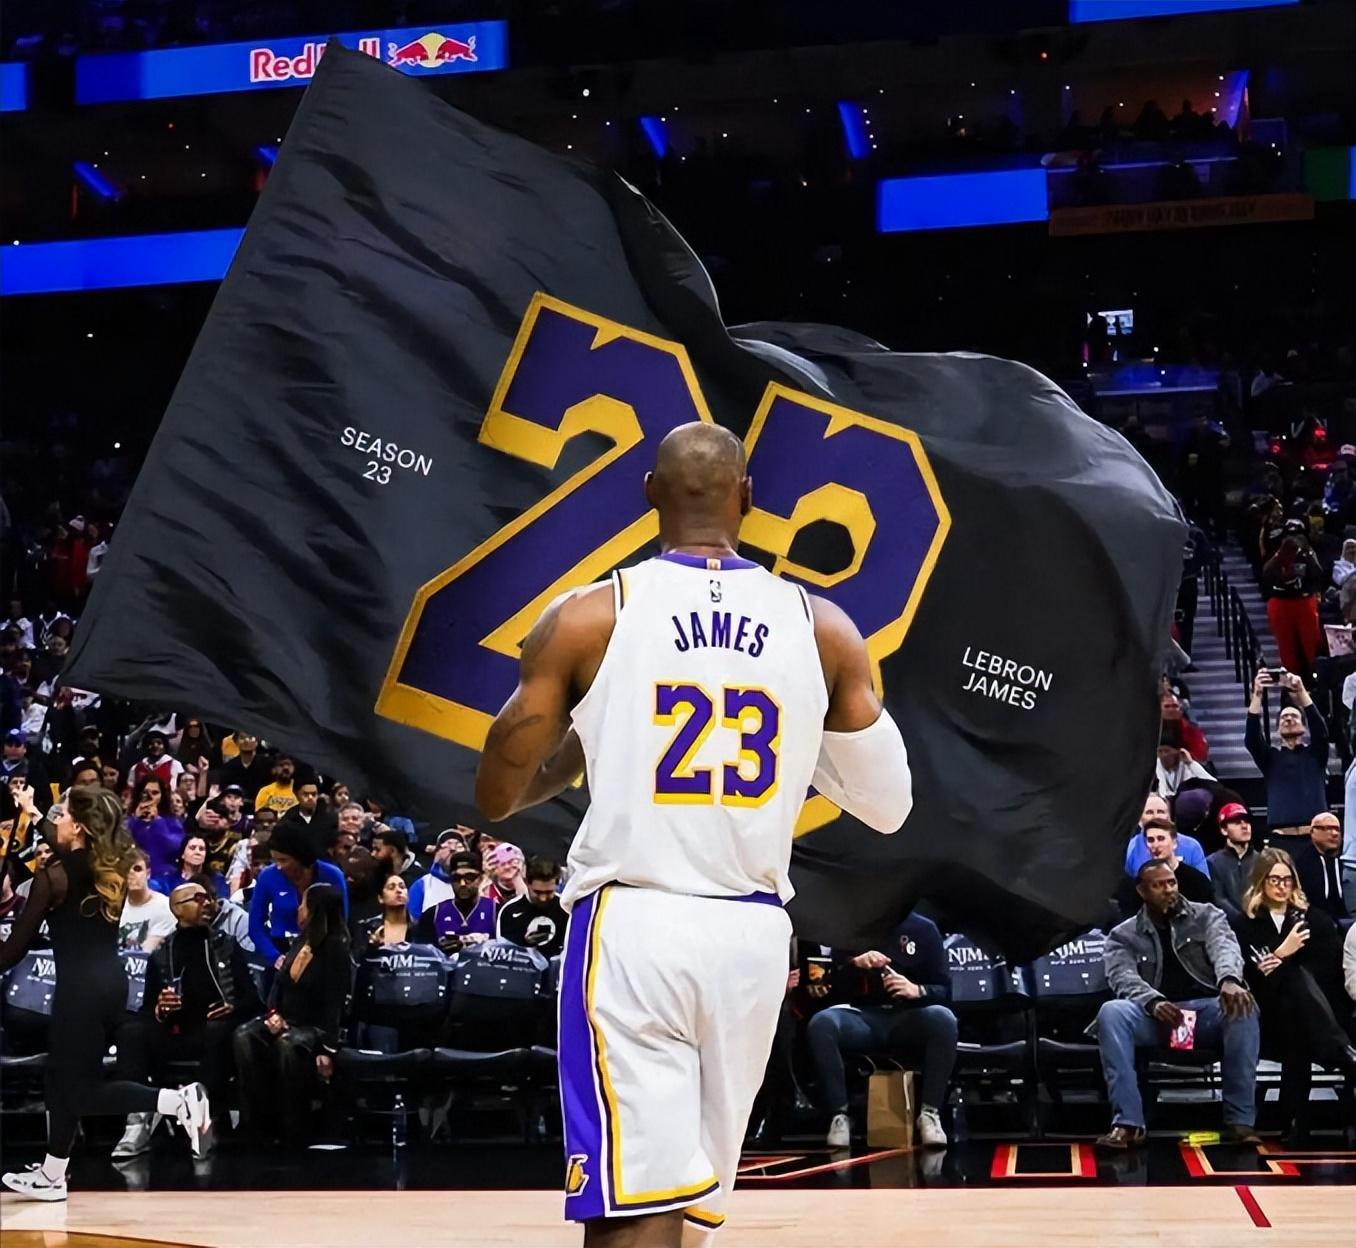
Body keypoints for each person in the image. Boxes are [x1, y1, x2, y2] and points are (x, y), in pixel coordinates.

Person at [475, 422, 912, 1243]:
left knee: (633, 1204)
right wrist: (802, 731)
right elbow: (888, 805)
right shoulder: (822, 627)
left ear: (649, 493)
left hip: (636, 926)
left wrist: (592, 735)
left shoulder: (588, 616)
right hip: (751, 937)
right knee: (689, 1209)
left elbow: (498, 792)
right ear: (748, 497)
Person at [0, 786, 211, 1200]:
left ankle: (177, 1102)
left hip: (79, 991)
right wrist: (32, 810)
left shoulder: (54, 876)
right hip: (111, 985)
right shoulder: (109, 865)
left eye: (62, 815)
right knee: (58, 1078)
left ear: (79, 826)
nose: (56, 822)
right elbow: (60, 837)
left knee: (81, 1092)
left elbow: (13, 949)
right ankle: (52, 1175)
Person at [1092, 860, 1259, 1150]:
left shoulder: (1208, 916)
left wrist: (1229, 980)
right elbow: (1122, 977)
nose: (1169, 890)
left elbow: (1225, 949)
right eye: (1159, 885)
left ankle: (1240, 1122)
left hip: (1204, 1013)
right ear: (1143, 891)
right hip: (1155, 1018)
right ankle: (1128, 1124)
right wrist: (1152, 1001)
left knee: (1243, 1005)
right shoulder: (1123, 935)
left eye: (1172, 882)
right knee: (1112, 1012)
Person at [112, 877, 261, 1158]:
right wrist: (160, 1010)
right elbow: (148, 1008)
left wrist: (233, 1006)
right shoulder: (161, 953)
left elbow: (253, 1001)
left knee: (217, 1030)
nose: (208, 904)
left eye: (209, 898)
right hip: (177, 1029)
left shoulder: (226, 945)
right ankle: (137, 1121)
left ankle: (203, 1117)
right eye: (198, 899)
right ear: (177, 909)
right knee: (131, 1031)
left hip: (215, 1031)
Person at [1234, 849, 1356, 1142]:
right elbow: (1250, 976)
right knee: (1294, 986)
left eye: (1287, 880)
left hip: (1311, 1013)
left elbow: (1328, 972)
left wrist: (1275, 963)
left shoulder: (1315, 919)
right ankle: (1342, 1052)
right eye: (1274, 880)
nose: (1281, 887)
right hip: (1265, 1012)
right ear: (1261, 881)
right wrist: (1282, 952)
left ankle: (1296, 1124)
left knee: (1297, 1007)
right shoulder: (1244, 924)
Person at [807, 913, 955, 1150]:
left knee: (943, 1018)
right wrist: (854, 964)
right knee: (822, 1023)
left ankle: (930, 1114)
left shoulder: (924, 929)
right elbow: (831, 989)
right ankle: (839, 1116)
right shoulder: (850, 929)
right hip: (862, 1017)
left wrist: (917, 990)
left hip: (908, 1017)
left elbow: (945, 991)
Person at [232, 883, 350, 1147]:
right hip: (286, 1019)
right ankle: (256, 1122)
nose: (299, 909)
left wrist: (327, 1049)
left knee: (289, 1044)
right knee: (244, 1036)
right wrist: (273, 1013)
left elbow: (335, 1004)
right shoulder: (301, 941)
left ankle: (293, 1125)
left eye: (303, 904)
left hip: (314, 1027)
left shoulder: (336, 949)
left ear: (315, 910)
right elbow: (278, 985)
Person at [248, 822, 349, 970]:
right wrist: (274, 957)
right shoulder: (267, 876)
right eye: (274, 860)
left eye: (283, 860)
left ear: (301, 858)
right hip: (281, 950)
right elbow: (255, 925)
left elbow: (342, 921)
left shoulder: (332, 875)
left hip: (322, 950)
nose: (278, 866)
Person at [1245, 671, 1329, 838]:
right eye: (1284, 717)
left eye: (1294, 716)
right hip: (1281, 836)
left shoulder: (1315, 754)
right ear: (1277, 729)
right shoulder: (1270, 758)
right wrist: (1257, 694)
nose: (1289, 719)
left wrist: (1301, 691)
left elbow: (1320, 731)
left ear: (1304, 726)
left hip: (1314, 836)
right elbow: (1252, 739)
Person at [1116, 820, 1213, 917]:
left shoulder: (1196, 880)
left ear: (1174, 843)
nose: (1155, 845)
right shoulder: (1141, 882)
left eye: (1161, 839)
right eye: (1150, 840)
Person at [1262, 536, 1325, 679]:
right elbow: (1266, 575)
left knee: (1311, 641)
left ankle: (1314, 674)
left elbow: (1318, 574)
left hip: (1304, 601)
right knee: (1286, 644)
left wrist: (1309, 556)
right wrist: (1278, 557)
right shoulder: (1276, 558)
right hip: (1281, 603)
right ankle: (1290, 677)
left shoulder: (1306, 556)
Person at [415, 850, 496, 952]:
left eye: (469, 877)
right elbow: (423, 955)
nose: (462, 884)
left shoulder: (496, 912)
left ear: (481, 878)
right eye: (456, 878)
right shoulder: (432, 915)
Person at [1125, 792, 1209, 877]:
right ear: (1139, 818)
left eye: (1160, 812)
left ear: (1169, 816)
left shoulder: (1192, 846)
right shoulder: (1130, 849)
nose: (1156, 817)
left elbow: (1204, 883)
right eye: (1149, 812)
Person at [497, 857, 568, 956]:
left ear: (557, 884)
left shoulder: (566, 908)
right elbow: (503, 953)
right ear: (526, 882)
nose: (543, 898)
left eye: (549, 892)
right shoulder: (509, 911)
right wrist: (525, 942)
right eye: (537, 892)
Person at [1291, 812, 1351, 927]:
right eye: (1328, 828)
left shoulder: (1347, 861)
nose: (1334, 833)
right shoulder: (1301, 864)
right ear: (1313, 832)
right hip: (1315, 923)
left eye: (1337, 829)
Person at [1206, 803, 1258, 922]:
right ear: (1224, 830)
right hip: (1226, 925)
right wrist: (1241, 921)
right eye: (1237, 822)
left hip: (1258, 925)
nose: (1244, 826)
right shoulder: (1212, 862)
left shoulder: (1262, 860)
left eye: (1247, 822)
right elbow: (1218, 898)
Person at [125, 775, 184, 877]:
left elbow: (176, 848)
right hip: (135, 873)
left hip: (164, 876)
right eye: (145, 792)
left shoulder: (172, 821)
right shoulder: (129, 820)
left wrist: (157, 821)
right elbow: (122, 844)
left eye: (155, 793)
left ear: (162, 795)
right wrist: (135, 820)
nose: (150, 797)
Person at [118, 849, 176, 952]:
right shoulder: (114, 908)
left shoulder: (165, 907)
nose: (131, 873)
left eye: (137, 869)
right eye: (126, 870)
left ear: (148, 873)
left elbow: (147, 951)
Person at [406, 827, 471, 919]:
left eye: (458, 846)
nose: (452, 849)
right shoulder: (422, 884)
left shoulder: (478, 883)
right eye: (446, 846)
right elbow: (414, 920)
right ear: (436, 854)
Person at [152, 832, 227, 900]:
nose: (197, 852)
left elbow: (222, 903)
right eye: (192, 848)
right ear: (182, 854)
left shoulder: (217, 880)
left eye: (201, 849)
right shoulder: (166, 882)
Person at [227, 805, 278, 892]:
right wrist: (234, 897)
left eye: (270, 821)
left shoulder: (286, 844)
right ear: (253, 824)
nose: (265, 825)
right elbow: (236, 874)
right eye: (260, 822)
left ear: (277, 823)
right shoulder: (243, 845)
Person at [359, 874, 412, 948]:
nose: (399, 890)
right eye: (391, 888)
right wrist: (372, 947)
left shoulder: (420, 927)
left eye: (402, 887)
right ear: (380, 898)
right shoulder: (367, 927)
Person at [1153, 736, 1211, 801]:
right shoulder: (1157, 764)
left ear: (1177, 752)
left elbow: (1211, 781)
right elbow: (1162, 791)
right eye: (1160, 751)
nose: (1163, 755)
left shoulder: (1186, 765)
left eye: (1167, 751)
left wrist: (1191, 763)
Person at [217, 731, 270, 798]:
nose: (246, 740)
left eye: (250, 737)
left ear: (257, 742)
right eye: (242, 738)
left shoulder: (268, 764)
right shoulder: (228, 767)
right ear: (236, 742)